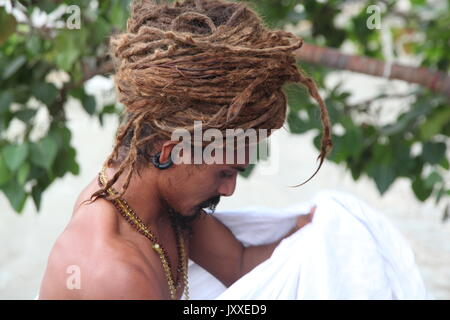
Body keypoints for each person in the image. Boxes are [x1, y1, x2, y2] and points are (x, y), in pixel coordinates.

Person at [37, 0, 429, 300]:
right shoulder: (114, 271)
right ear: (173, 150)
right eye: (226, 172)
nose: (229, 190)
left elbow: (238, 264)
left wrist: (320, 229)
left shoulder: (160, 202)